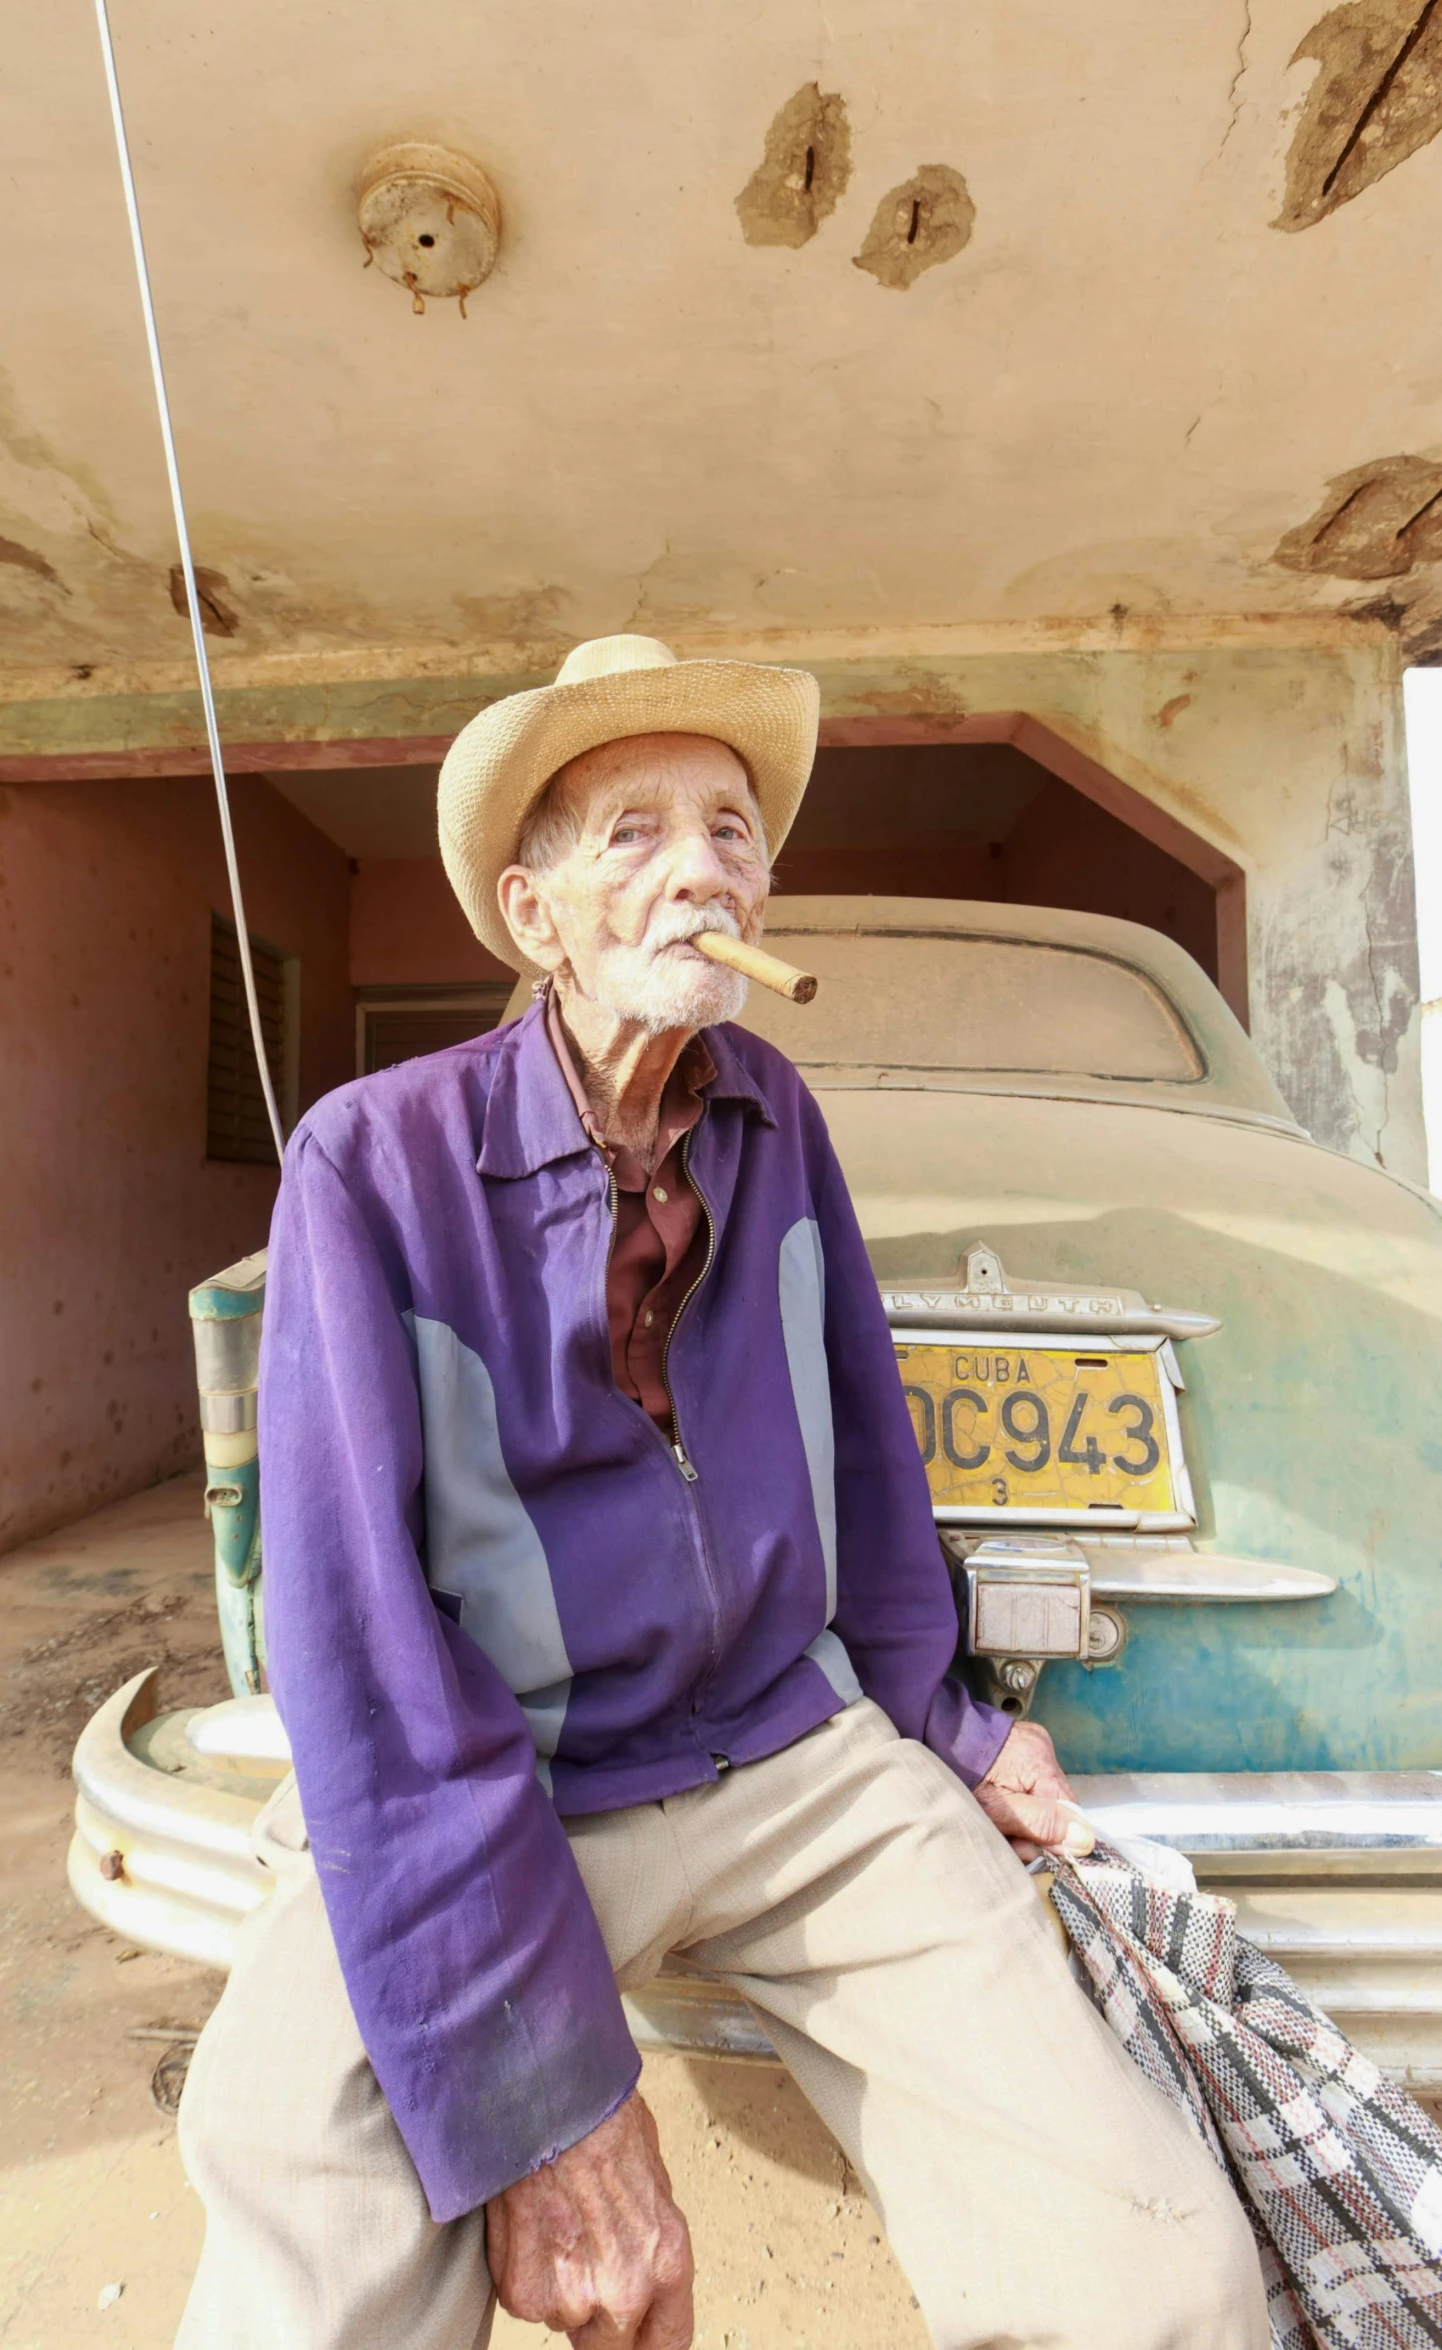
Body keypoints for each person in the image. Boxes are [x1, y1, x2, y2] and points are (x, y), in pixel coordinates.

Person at [176, 636, 1269, 2350]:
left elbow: (869, 1463)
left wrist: (954, 1725)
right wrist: (545, 2098)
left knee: (1154, 2271)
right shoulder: (370, 1165)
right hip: (502, 1788)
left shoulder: (774, 1113)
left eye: (732, 828)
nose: (704, 867)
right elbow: (363, 1649)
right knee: (306, 2223)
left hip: (793, 1758)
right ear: (536, 918)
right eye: (633, 832)